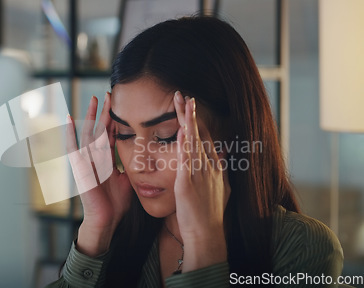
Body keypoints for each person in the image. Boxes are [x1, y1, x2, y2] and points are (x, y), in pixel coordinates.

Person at [47, 15, 344, 287]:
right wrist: (98, 226)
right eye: (125, 134)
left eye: (165, 137)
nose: (139, 163)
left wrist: (205, 245)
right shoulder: (116, 237)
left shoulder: (302, 247)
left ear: (230, 134)